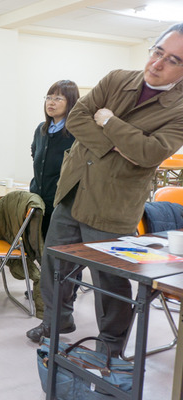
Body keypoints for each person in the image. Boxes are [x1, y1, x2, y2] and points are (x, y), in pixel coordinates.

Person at [26, 22, 183, 357]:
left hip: (114, 202)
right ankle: (56, 322)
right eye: (157, 52)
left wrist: (109, 121)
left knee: (108, 280)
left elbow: (149, 153)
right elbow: (76, 119)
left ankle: (110, 344)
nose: (158, 64)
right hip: (73, 190)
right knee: (55, 266)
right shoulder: (117, 79)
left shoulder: (179, 108)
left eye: (173, 60)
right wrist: (117, 146)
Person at [30, 80, 79, 237]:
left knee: (54, 245)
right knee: (36, 242)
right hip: (37, 200)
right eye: (49, 97)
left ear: (71, 102)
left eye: (58, 98)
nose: (51, 102)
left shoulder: (76, 133)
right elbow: (35, 154)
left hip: (61, 204)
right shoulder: (41, 129)